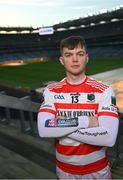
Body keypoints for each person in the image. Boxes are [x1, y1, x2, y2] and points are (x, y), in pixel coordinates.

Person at [37, 36, 119, 179]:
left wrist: (60, 126)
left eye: (80, 54)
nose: (75, 60)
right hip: (64, 171)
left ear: (86, 58)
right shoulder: (51, 91)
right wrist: (85, 121)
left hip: (97, 171)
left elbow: (109, 138)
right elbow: (44, 129)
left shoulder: (104, 90)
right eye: (69, 55)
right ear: (62, 60)